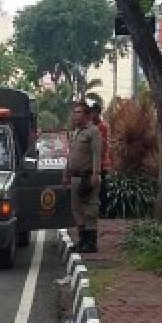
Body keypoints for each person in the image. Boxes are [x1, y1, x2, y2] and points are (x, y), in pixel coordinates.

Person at [65, 101, 102, 253]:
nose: (75, 115)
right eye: (74, 112)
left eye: (79, 112)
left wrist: (96, 173)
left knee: (90, 209)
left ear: (87, 115)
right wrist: (65, 174)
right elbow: (70, 156)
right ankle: (82, 240)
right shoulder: (75, 132)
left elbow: (96, 154)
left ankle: (91, 242)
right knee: (76, 209)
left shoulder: (93, 132)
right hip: (74, 177)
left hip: (88, 177)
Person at [89, 99, 111, 214]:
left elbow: (100, 147)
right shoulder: (93, 126)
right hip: (94, 164)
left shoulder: (102, 126)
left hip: (102, 164)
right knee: (95, 189)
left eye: (93, 112)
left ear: (98, 113)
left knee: (102, 190)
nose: (92, 115)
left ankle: (103, 212)